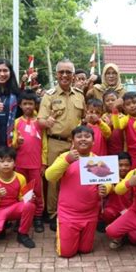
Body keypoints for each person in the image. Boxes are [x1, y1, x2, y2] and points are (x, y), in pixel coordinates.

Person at [45, 126, 111, 258]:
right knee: (67, 253)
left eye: (87, 137)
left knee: (86, 250)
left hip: (90, 213)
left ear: (93, 141)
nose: (83, 139)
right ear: (72, 141)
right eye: (79, 136)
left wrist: (105, 188)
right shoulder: (65, 157)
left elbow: (107, 181)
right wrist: (67, 161)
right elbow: (49, 176)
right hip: (68, 213)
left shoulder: (97, 160)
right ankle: (62, 233)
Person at [37, 59, 85, 231]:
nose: (65, 75)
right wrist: (46, 121)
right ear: (57, 74)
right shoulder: (49, 96)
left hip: (75, 144)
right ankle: (52, 214)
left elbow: (85, 119)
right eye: (61, 72)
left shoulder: (80, 95)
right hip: (55, 142)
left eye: (68, 72)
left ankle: (73, 210)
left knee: (75, 178)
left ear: (73, 75)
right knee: (54, 179)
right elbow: (40, 120)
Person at [0, 147, 36, 248]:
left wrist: (28, 198)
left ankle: (23, 234)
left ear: (15, 163)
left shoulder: (20, 178)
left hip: (14, 207)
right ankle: (2, 226)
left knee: (30, 205)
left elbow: (21, 198)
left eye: (9, 161)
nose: (6, 164)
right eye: (2, 161)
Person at [13, 90, 47, 233]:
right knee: (21, 191)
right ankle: (21, 216)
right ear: (20, 105)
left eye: (30, 104)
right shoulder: (16, 123)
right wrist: (16, 142)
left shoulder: (39, 123)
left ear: (35, 105)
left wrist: (43, 163)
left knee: (37, 191)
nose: (28, 106)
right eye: (25, 104)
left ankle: (38, 216)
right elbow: (12, 143)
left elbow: (44, 144)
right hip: (20, 164)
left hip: (35, 164)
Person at [101, 152, 136, 249]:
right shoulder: (111, 177)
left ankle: (131, 232)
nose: (123, 168)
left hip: (131, 212)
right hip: (114, 211)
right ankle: (117, 236)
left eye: (126, 165)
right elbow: (108, 185)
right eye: (120, 165)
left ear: (130, 165)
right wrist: (104, 189)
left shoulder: (134, 178)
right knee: (107, 213)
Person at [112, 92, 136, 168]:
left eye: (134, 102)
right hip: (133, 154)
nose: (132, 106)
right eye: (128, 104)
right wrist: (114, 109)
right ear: (124, 108)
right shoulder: (126, 119)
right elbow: (117, 126)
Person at [101, 89, 124, 156]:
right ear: (104, 103)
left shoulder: (123, 117)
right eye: (107, 100)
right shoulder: (103, 117)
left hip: (120, 149)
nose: (110, 102)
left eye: (113, 100)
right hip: (106, 151)